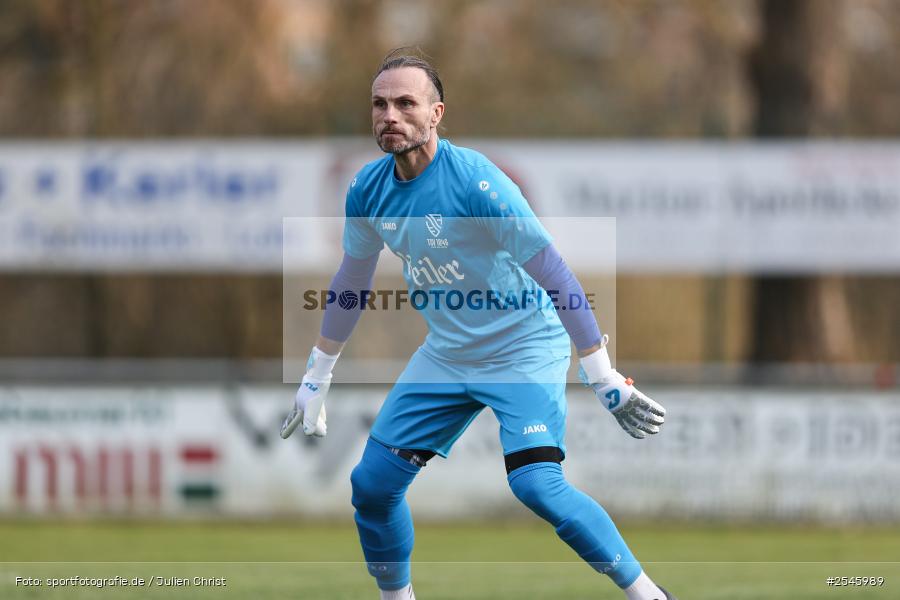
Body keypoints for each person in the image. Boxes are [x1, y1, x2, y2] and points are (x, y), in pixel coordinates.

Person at [281, 49, 675, 600]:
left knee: (538, 485)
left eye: (405, 103)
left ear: (437, 113)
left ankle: (649, 596)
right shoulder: (367, 189)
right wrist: (316, 375)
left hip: (523, 349)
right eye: (379, 104)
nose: (389, 115)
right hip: (446, 354)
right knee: (371, 486)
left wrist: (603, 374)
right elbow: (352, 282)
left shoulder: (476, 183)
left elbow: (556, 273)